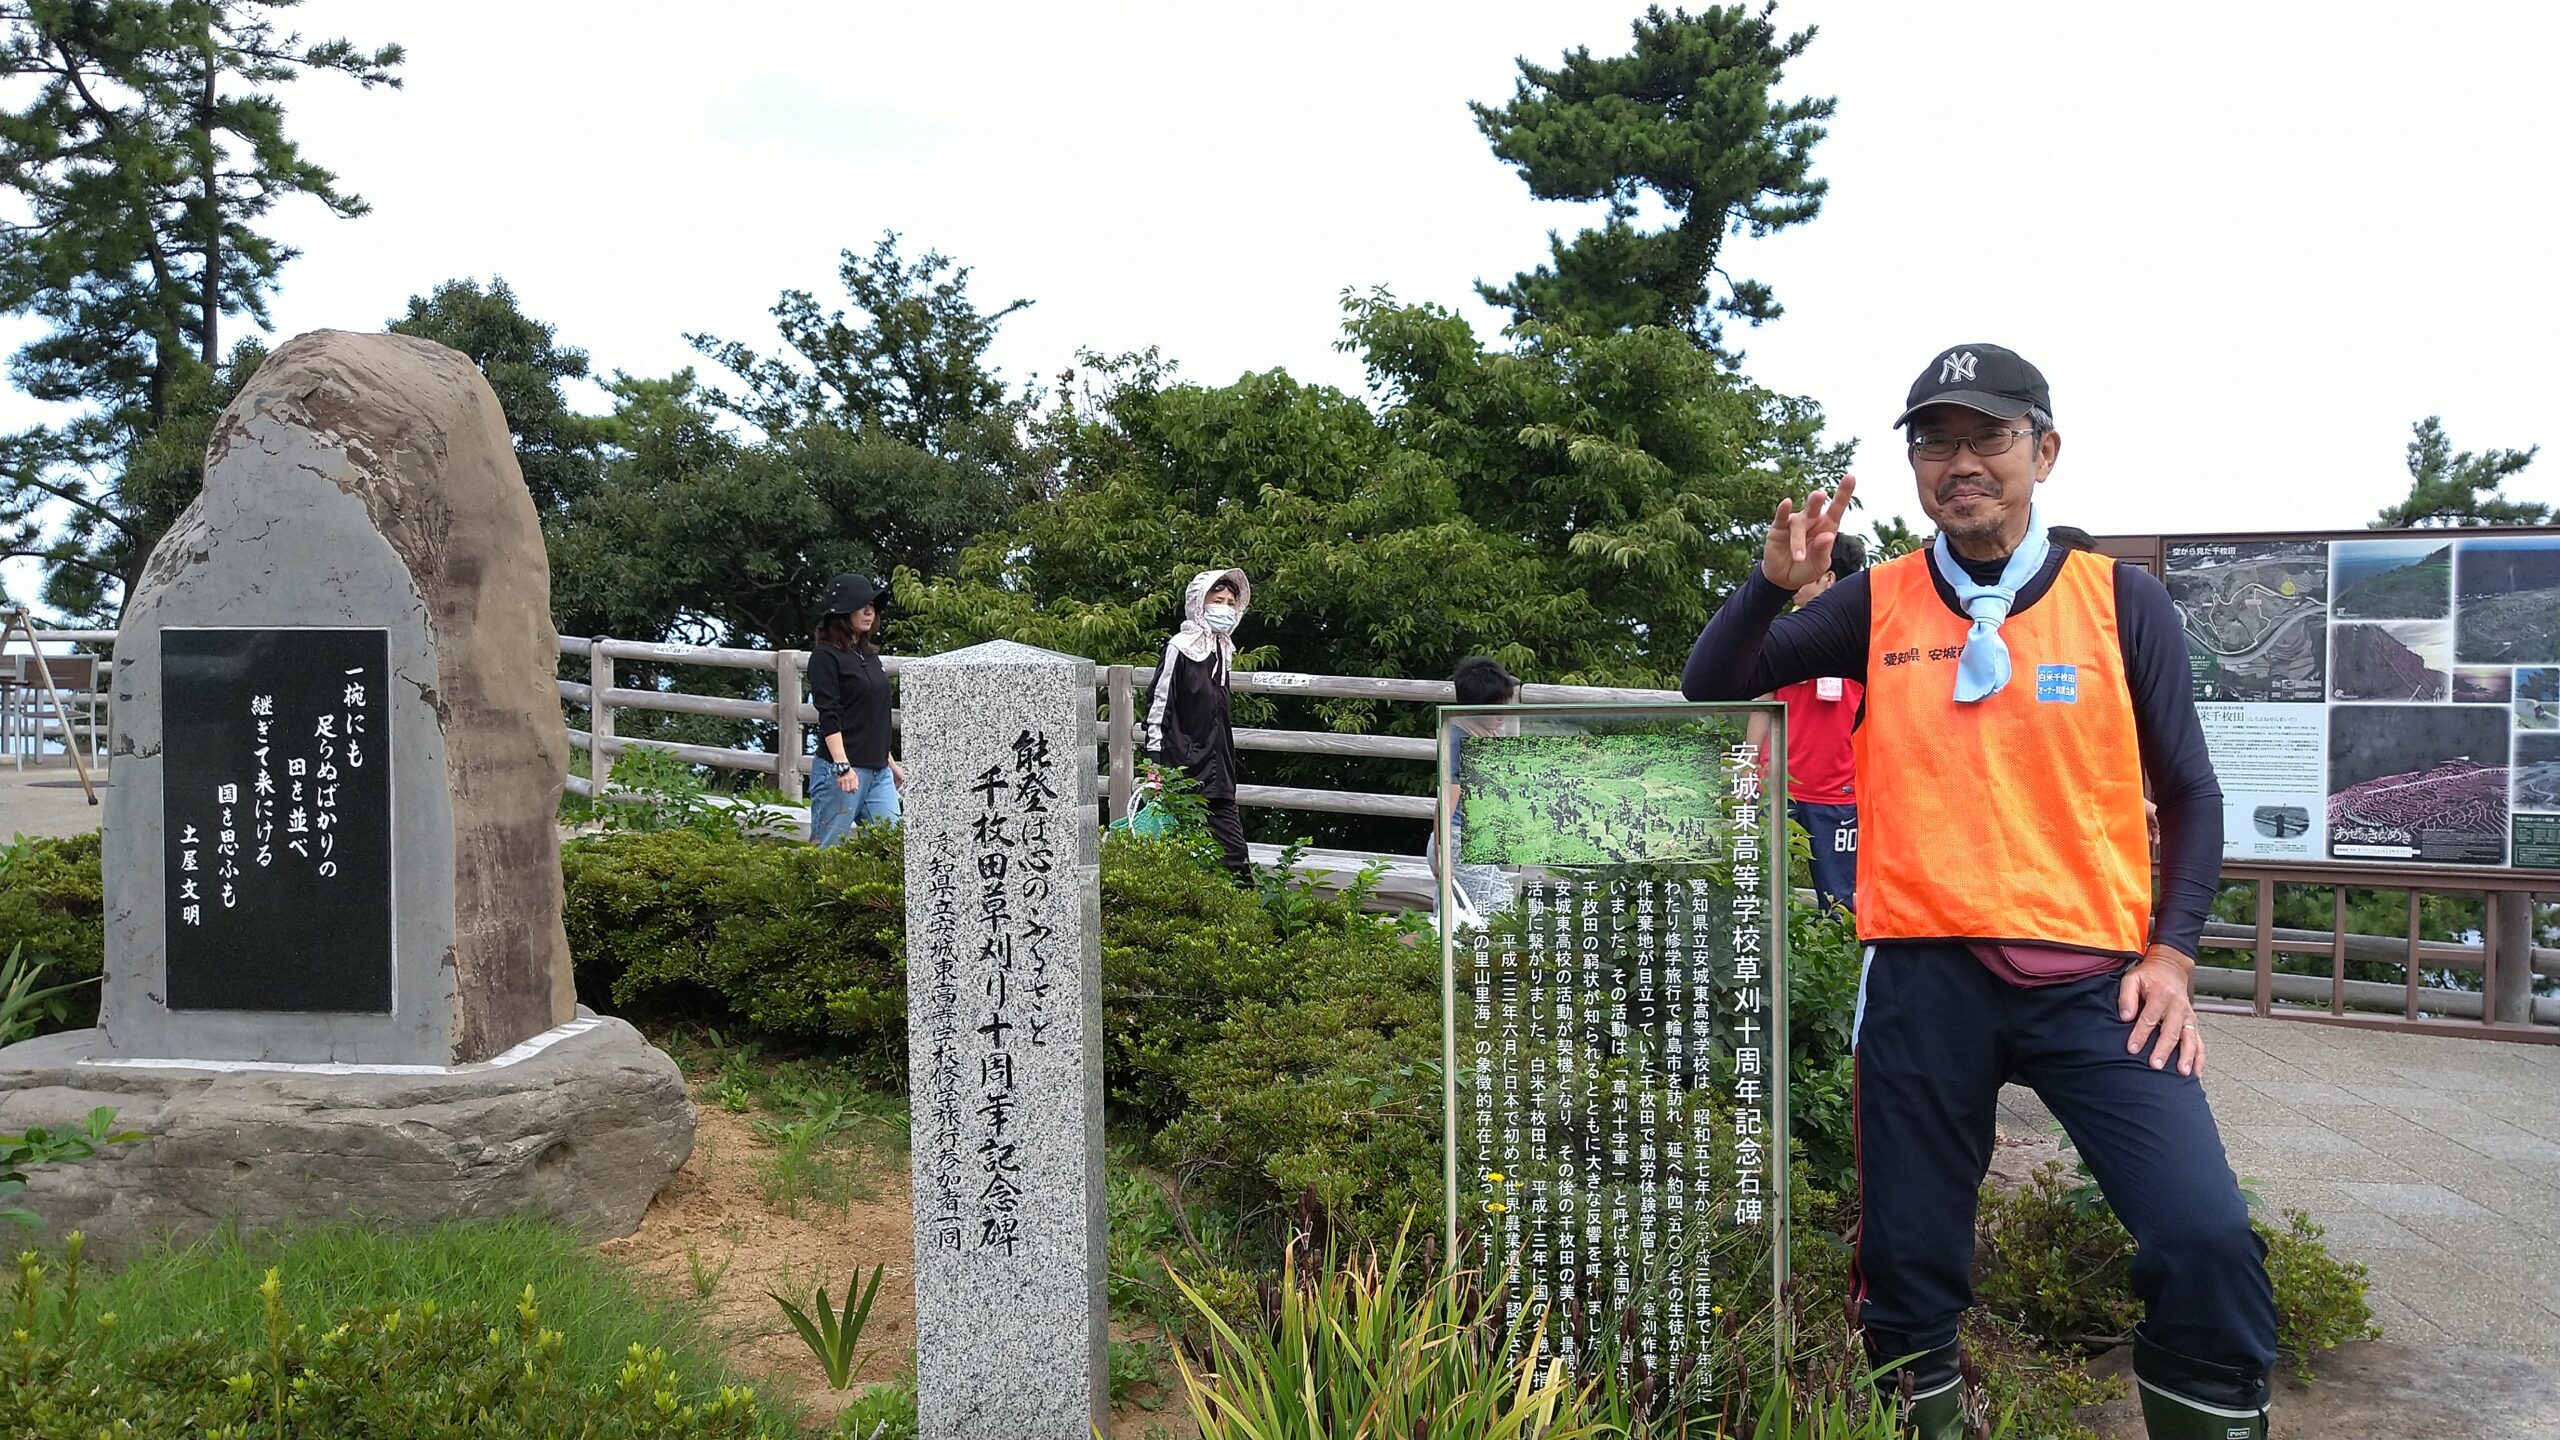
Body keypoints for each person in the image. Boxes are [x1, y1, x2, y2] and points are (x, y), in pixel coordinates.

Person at [1682, 344, 2276, 1440]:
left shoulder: (2119, 603)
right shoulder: (1878, 600)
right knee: (1907, 1270)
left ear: (2042, 451)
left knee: (2203, 1238)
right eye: (1933, 442)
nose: (1959, 463)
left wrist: (2174, 953)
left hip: (2096, 983)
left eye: (1986, 437)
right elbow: (1713, 682)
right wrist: (1771, 580)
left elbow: (2189, 789)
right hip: (1921, 979)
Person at [1775, 535, 1866, 914]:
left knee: (1838, 902)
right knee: (1755, 890)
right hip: (1776, 786)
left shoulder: (1866, 635)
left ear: (1828, 578)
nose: (1796, 580)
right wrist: (1747, 775)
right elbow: (1762, 706)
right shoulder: (1779, 634)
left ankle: (1844, 975)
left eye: (1807, 570)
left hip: (1838, 791)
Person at [1144, 568, 1252, 885]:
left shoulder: (1223, 649)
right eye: (1217, 600)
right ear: (1199, 604)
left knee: (1234, 857)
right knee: (1181, 857)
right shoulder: (1179, 647)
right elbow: (1158, 706)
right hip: (1182, 770)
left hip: (1220, 772)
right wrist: (1156, 767)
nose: (1226, 607)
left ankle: (1244, 923)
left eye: (1231, 602)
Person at [808, 573, 903, 845]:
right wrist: (842, 767)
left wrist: (890, 763)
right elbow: (830, 713)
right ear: (841, 613)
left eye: (872, 606)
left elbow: (871, 716)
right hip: (842, 772)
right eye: (861, 606)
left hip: (878, 772)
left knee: (893, 847)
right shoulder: (825, 656)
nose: (869, 611)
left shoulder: (869, 656)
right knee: (828, 850)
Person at [1434, 655, 1523, 921]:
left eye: (1505, 707)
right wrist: (1443, 855)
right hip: (1457, 842)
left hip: (1469, 840)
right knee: (1501, 910)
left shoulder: (1477, 734)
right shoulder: (1460, 744)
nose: (1502, 716)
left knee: (1453, 921)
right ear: (1472, 708)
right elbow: (1446, 802)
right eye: (1495, 710)